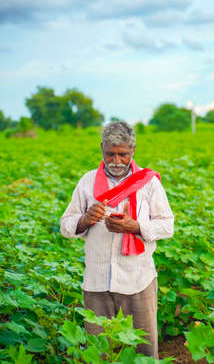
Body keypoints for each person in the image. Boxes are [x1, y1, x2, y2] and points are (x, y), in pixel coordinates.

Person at [60, 121, 174, 358]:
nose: (116, 160)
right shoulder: (88, 182)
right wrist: (85, 220)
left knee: (143, 351)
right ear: (101, 148)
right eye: (110, 154)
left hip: (137, 279)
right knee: (99, 351)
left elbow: (167, 225)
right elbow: (66, 225)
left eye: (123, 154)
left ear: (133, 151)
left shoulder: (148, 183)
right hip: (96, 283)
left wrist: (135, 226)